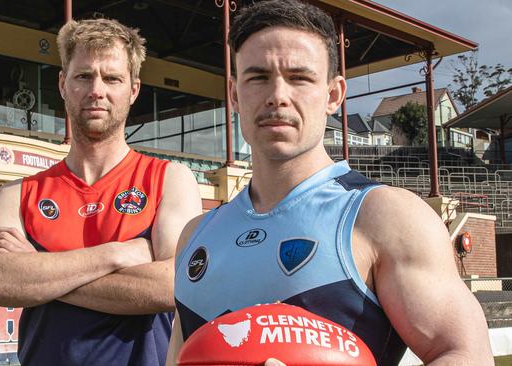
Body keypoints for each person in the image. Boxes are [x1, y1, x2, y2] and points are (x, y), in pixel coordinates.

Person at [167, 1, 493, 365]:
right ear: (233, 94)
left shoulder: (384, 216)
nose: (277, 95)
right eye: (258, 77)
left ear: (334, 95)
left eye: (299, 78)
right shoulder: (197, 235)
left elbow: (465, 354)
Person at [0, 18, 202, 365]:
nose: (97, 89)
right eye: (84, 76)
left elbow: (170, 287)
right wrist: (116, 254)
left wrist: (37, 274)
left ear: (134, 90)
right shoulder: (18, 194)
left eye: (112, 78)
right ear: (64, 84)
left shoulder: (169, 180)